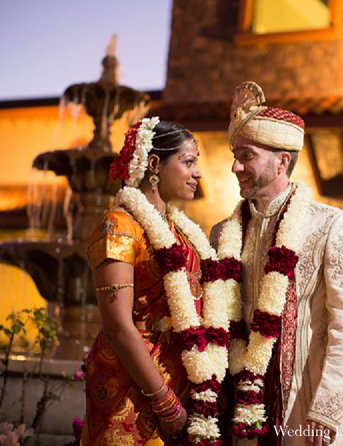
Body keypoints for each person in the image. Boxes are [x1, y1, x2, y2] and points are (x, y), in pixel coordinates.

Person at [210, 82, 343, 446]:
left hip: (301, 405)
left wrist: (325, 410)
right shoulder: (223, 233)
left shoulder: (331, 225)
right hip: (238, 405)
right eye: (235, 154)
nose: (235, 166)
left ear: (282, 161)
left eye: (246, 155)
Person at [82, 117, 230, 446]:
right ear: (154, 164)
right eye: (188, 162)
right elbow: (118, 325)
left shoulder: (183, 233)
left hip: (183, 383)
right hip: (131, 386)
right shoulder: (118, 225)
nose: (198, 173)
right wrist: (164, 401)